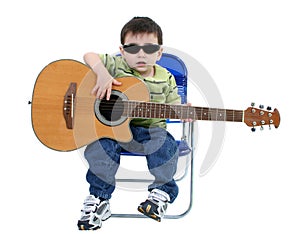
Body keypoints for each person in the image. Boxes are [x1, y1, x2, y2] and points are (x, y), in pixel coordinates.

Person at [78, 16, 182, 230]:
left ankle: (160, 195)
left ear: (160, 52)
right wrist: (102, 74)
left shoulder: (167, 78)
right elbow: (88, 55)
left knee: (165, 143)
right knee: (100, 146)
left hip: (150, 132)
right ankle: (98, 200)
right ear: (122, 51)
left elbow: (175, 107)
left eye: (149, 48)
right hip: (113, 130)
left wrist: (186, 111)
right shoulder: (116, 65)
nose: (141, 54)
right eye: (132, 48)